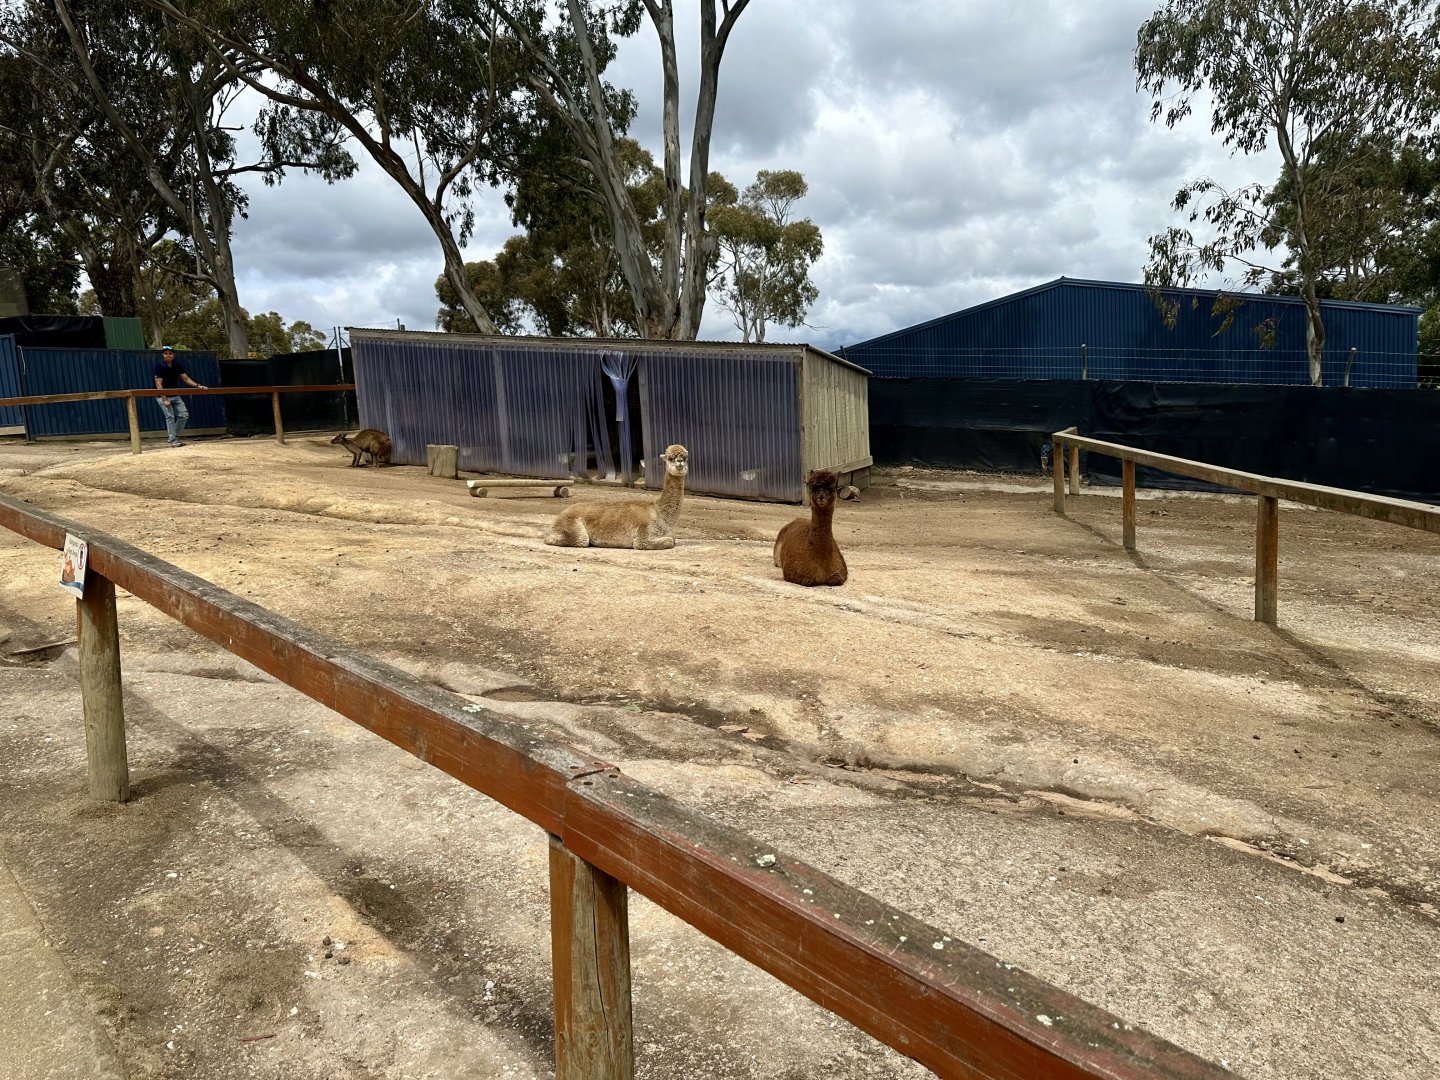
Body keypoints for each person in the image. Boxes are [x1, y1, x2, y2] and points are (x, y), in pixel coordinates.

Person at [152, 345, 207, 448]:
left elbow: (185, 378)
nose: (168, 355)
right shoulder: (159, 366)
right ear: (163, 355)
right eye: (166, 353)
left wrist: (198, 385)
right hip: (162, 396)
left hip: (175, 394)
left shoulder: (176, 365)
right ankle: (173, 440)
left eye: (170, 353)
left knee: (183, 415)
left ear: (173, 355)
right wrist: (165, 399)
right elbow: (158, 383)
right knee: (170, 416)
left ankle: (174, 437)